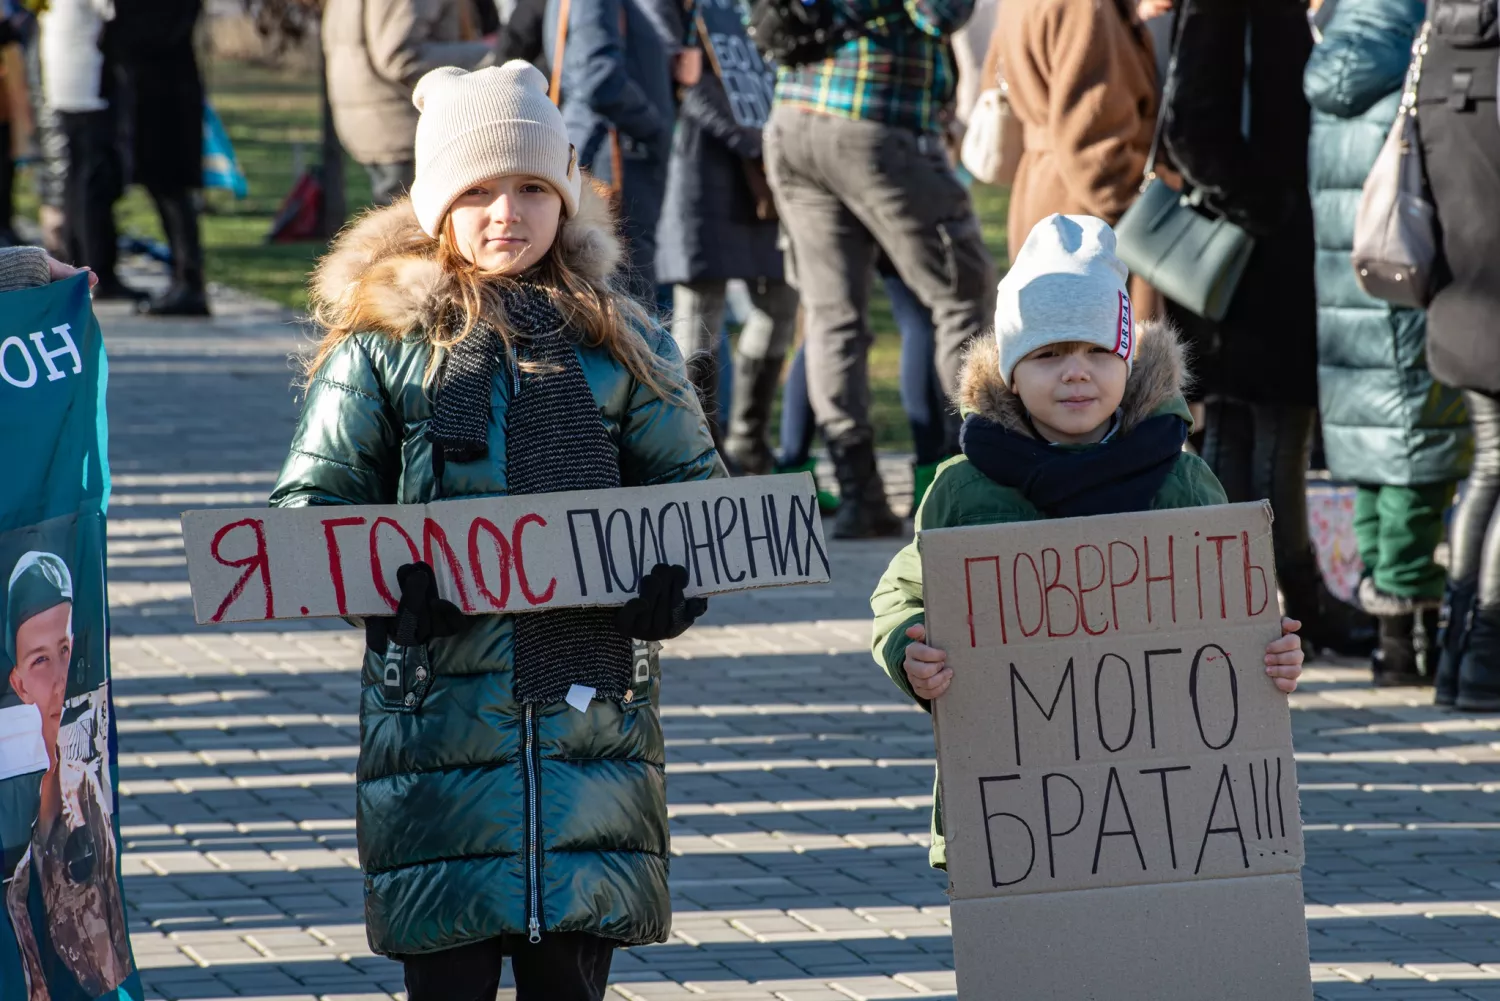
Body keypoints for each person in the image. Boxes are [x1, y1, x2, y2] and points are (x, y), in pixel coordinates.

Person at [267, 62, 721, 999]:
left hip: (589, 747)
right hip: (436, 745)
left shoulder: (624, 344)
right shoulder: (384, 350)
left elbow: (696, 498)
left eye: (529, 188)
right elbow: (309, 509)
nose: (504, 212)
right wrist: (382, 586)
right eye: (475, 190)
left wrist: (676, 586)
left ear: (564, 196)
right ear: (437, 204)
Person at [869, 213, 1305, 868]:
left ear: (1127, 362)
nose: (1076, 373)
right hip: (1015, 823)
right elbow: (899, 595)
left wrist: (1267, 654)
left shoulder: (1183, 480)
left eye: (1099, 351)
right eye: (1048, 354)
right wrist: (909, 647)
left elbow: (1228, 618)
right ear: (1012, 370)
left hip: (1163, 813)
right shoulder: (965, 489)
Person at [1160, 0, 1370, 656]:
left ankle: (1250, 604)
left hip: (1266, 257)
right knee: (1263, 429)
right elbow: (1188, 125)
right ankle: (1287, 606)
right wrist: (1265, 208)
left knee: (1246, 429)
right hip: (1254, 260)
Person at [763, 0, 996, 539]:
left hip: (793, 119)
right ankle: (967, 481)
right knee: (961, 296)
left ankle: (860, 496)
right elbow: (939, 13)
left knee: (831, 316)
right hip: (877, 117)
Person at [1304, 0, 1472, 687]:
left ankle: (1390, 637)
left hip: (1344, 288)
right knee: (1417, 460)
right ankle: (1404, 643)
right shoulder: (1415, 46)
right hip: (1404, 282)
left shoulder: (1332, 48)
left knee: (1374, 464)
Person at [1417, 0, 1500, 711]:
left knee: (1490, 466)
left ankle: (1454, 654)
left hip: (1460, 297)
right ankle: (1486, 653)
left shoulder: (1434, 43)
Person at [3, 551, 132, 1001]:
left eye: (65, 651)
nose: (60, 679)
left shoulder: (88, 796)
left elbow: (104, 965)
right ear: (17, 683)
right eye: (40, 661)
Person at [657, 56, 796, 471]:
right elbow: (686, 78)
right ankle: (700, 452)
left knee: (781, 304)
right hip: (704, 167)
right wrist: (758, 142)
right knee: (699, 316)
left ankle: (748, 442)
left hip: (767, 166)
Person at [546, 0, 697, 303]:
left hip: (620, 154)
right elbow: (599, 76)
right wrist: (655, 129)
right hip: (616, 161)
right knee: (626, 295)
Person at [322, 0, 495, 207]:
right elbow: (401, 56)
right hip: (402, 122)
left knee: (396, 225)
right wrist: (489, 52)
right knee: (409, 230)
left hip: (375, 118)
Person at [103, 0, 211, 316]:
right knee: (165, 188)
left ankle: (189, 281)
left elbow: (153, 31)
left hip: (167, 97)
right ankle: (184, 279)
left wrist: (112, 31)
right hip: (154, 92)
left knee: (171, 187)